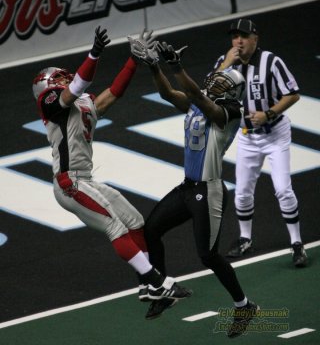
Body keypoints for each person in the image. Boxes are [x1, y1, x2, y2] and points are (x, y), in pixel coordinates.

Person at [32, 26, 192, 306]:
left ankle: (147, 288)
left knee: (134, 221)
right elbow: (78, 85)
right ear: (49, 84)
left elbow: (112, 94)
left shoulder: (79, 103)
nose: (66, 77)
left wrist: (133, 60)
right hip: (70, 182)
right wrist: (94, 54)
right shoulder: (50, 103)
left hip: (85, 180)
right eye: (59, 77)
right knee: (115, 227)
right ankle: (158, 283)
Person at [129, 34, 259, 338]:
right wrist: (153, 67)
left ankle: (244, 305)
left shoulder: (229, 113)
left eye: (223, 84)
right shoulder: (201, 100)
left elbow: (201, 100)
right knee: (151, 230)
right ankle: (162, 292)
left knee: (208, 255)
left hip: (210, 191)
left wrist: (176, 66)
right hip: (188, 188)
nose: (215, 85)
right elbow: (168, 94)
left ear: (234, 92)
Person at [214, 18, 307, 267]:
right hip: (248, 137)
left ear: (256, 38)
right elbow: (210, 91)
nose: (239, 41)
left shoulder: (271, 62)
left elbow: (293, 93)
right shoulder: (226, 64)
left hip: (275, 134)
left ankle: (297, 244)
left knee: (283, 189)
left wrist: (269, 113)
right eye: (235, 36)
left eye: (243, 36)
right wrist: (225, 64)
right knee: (242, 193)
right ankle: (245, 238)